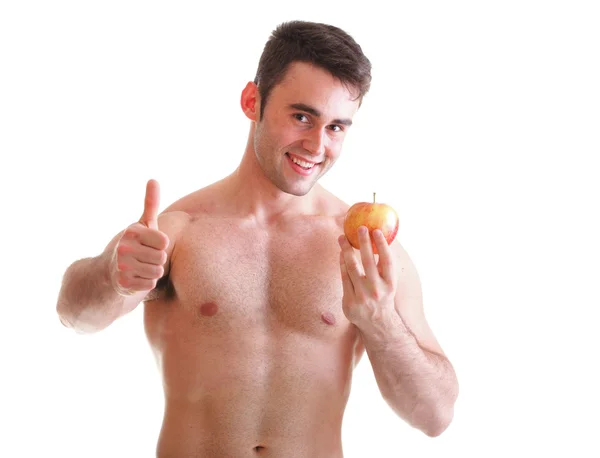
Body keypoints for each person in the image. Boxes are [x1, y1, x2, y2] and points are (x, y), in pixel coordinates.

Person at [56, 20, 459, 457]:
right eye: (302, 116)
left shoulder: (365, 248)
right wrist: (112, 276)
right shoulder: (179, 230)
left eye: (337, 127)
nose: (316, 145)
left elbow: (435, 416)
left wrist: (380, 321)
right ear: (253, 101)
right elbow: (74, 315)